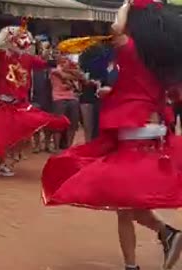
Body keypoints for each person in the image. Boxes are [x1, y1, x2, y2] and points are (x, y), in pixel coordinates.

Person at [42, 1, 182, 269]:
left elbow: (116, 26)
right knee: (128, 204)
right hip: (153, 133)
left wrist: (128, 4)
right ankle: (165, 237)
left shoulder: (129, 49)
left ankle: (157, 243)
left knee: (123, 205)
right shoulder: (160, 60)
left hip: (132, 135)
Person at [0, 18, 69, 177]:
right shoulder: (3, 55)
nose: (24, 42)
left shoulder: (28, 59)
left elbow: (45, 63)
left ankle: (9, 160)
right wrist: (1, 37)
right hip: (4, 104)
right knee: (4, 136)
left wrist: (51, 55)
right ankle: (3, 163)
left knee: (22, 136)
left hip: (21, 105)